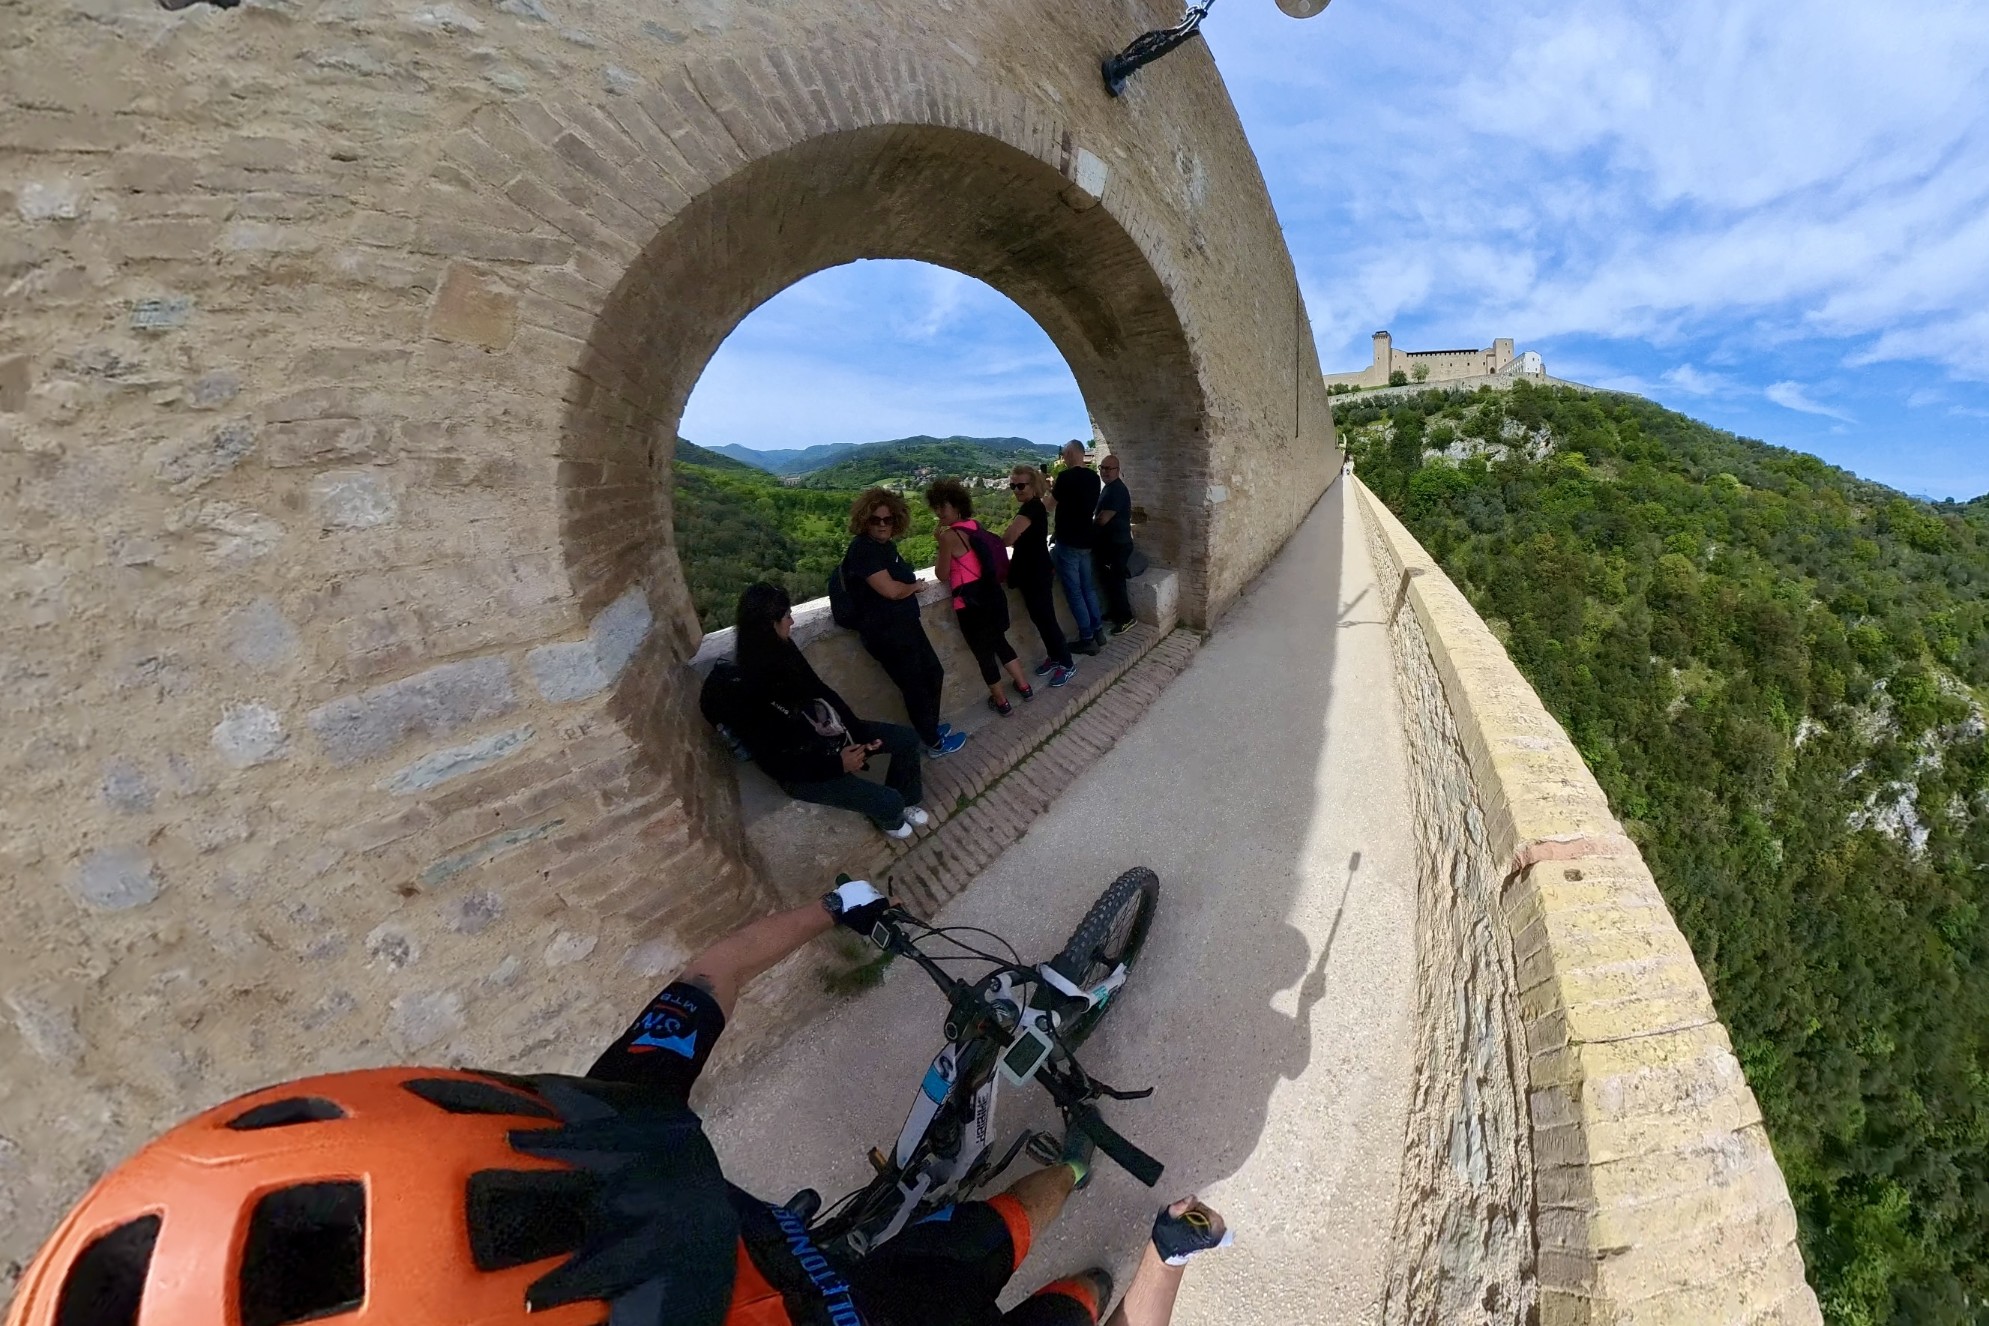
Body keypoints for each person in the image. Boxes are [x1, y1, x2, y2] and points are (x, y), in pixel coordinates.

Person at [10, 879, 1234, 1326]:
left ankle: (1070, 1200)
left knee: (970, 1234)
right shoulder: (570, 1153)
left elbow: (708, 979)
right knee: (1005, 1259)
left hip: (822, 1274)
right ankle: (1076, 1188)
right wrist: (1161, 1271)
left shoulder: (576, 1142)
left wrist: (828, 910)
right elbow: (710, 977)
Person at [730, 583, 931, 840]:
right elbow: (778, 762)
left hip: (829, 738)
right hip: (805, 770)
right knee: (889, 800)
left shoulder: (783, 649)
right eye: (787, 616)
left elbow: (822, 692)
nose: (792, 621)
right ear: (770, 624)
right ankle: (891, 816)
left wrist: (857, 734)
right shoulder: (752, 689)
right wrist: (837, 764)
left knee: (907, 740)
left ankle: (904, 803)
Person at [840, 486, 967, 758]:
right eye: (876, 519)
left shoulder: (885, 546)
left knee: (933, 673)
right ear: (865, 520)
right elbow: (891, 590)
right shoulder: (863, 549)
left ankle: (930, 729)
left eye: (888, 519)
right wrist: (915, 587)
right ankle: (934, 743)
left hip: (904, 626)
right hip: (886, 634)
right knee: (916, 687)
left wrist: (908, 588)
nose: (882, 525)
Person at [928, 478, 1035, 716]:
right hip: (990, 596)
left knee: (983, 654)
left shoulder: (948, 536)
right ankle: (1024, 687)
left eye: (943, 506)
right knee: (1000, 643)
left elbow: (941, 574)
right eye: (936, 507)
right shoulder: (974, 525)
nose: (939, 512)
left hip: (969, 605)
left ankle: (1001, 702)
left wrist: (941, 543)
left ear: (956, 506)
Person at [1002, 465, 1076, 688]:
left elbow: (1007, 538)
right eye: (1013, 485)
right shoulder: (1034, 507)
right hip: (1033, 572)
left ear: (1033, 486)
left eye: (1021, 485)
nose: (1016, 490)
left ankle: (1067, 663)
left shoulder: (1030, 509)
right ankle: (1055, 657)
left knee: (1046, 619)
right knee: (1040, 619)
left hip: (1036, 573)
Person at [1048, 440, 1106, 656]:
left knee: (1075, 593)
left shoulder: (1065, 478)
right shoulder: (1094, 478)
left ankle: (1087, 639)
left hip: (1069, 541)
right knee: (1088, 588)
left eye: (1064, 454)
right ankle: (1098, 631)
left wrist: (1047, 490)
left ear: (1071, 453)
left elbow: (1048, 506)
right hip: (1086, 540)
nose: (1063, 458)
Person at [1093, 454, 1136, 635]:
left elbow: (1103, 519)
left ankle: (1126, 618)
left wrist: (1087, 527)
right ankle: (1115, 612)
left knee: (1117, 582)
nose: (1104, 471)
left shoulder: (1116, 490)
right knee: (1109, 581)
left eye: (1108, 468)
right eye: (1102, 468)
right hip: (1111, 545)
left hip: (1118, 545)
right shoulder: (1109, 488)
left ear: (1117, 470)